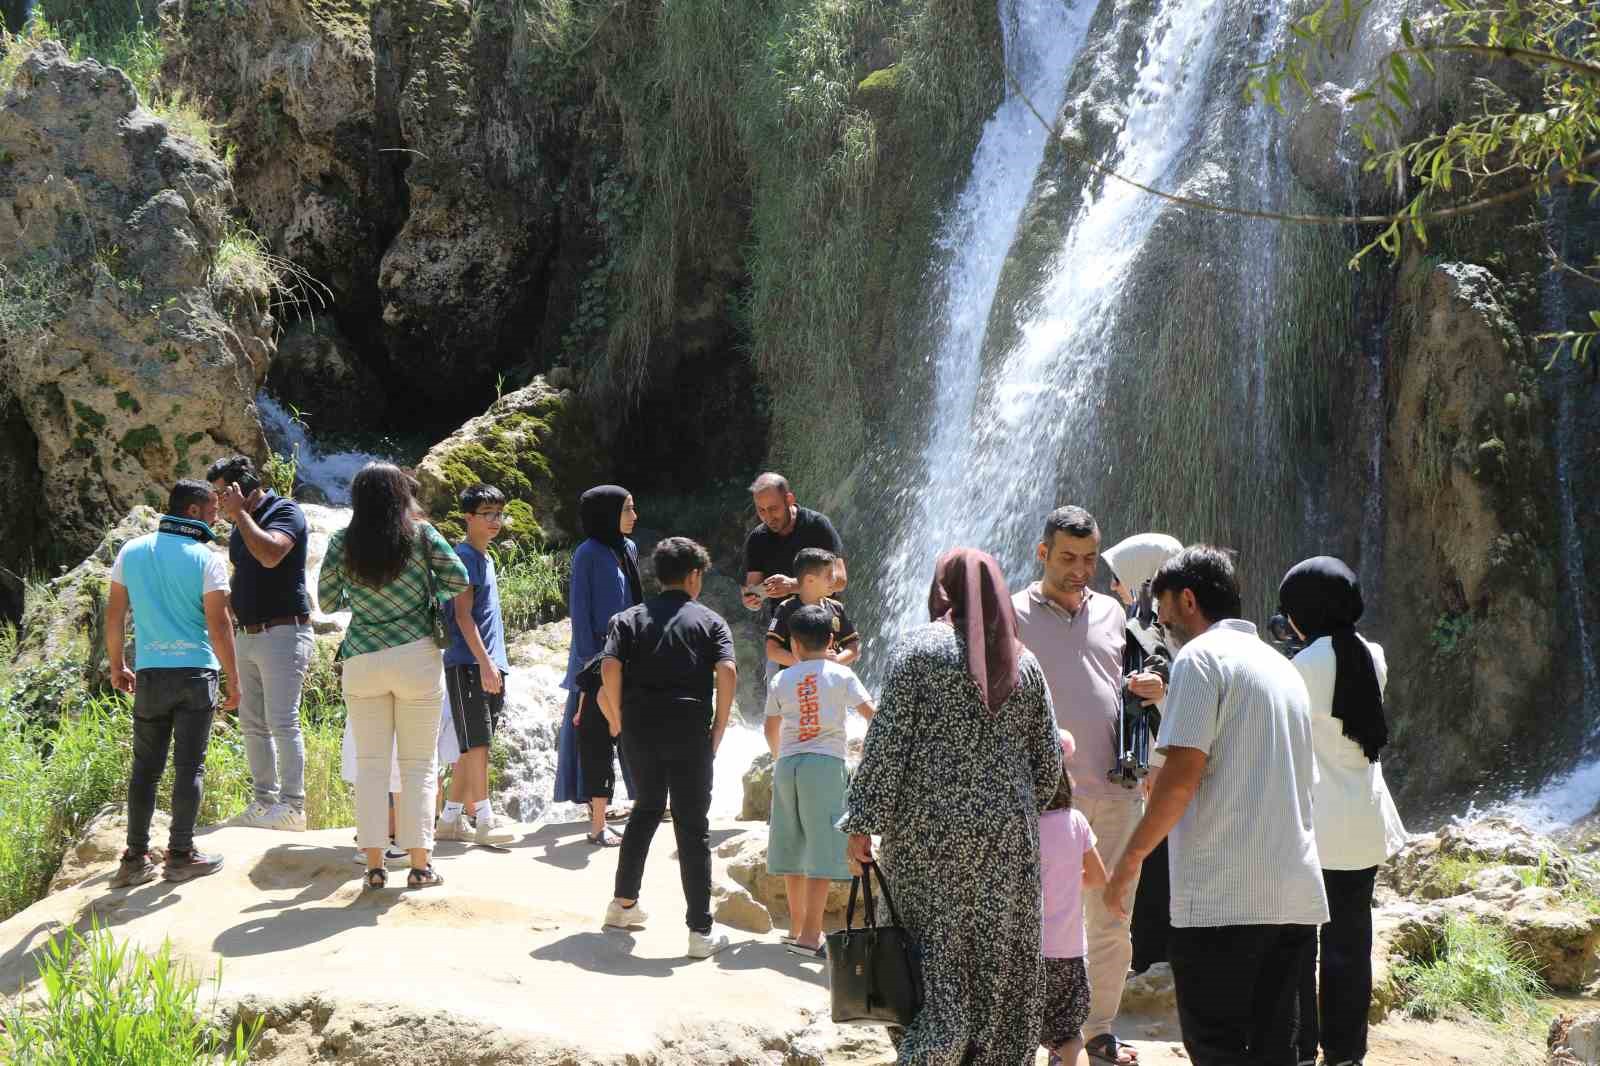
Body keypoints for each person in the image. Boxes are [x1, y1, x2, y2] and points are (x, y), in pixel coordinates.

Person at [1104, 546, 1328, 1066]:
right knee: (1274, 1052)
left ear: (1187, 600)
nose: (1160, 623)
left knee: (1218, 1049)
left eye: (1162, 608)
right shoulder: (1282, 668)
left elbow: (1180, 779)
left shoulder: (1200, 660)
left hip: (1224, 903)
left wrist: (1129, 862)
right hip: (1292, 898)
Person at [841, 548, 1063, 1066]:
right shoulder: (1025, 663)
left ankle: (932, 1051)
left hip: (927, 840)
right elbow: (1048, 766)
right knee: (996, 968)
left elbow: (887, 743)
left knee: (931, 967)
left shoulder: (918, 650)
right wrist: (1006, 811)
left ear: (941, 589)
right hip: (1007, 846)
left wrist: (862, 823)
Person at [1012, 507, 1164, 1066]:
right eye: (1068, 558)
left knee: (1112, 915)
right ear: (1042, 553)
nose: (1080, 570)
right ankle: (1030, 1031)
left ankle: (1097, 1030)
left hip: (1117, 789)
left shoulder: (1114, 613)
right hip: (1042, 797)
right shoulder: (1012, 614)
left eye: (1089, 559)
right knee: (1033, 917)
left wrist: (1151, 686)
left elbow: (1123, 683)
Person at [317, 463, 469, 891]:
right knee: (419, 766)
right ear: (401, 495)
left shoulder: (342, 541)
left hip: (363, 657)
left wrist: (360, 598)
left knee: (371, 766)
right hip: (416, 655)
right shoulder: (422, 535)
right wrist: (427, 594)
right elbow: (459, 578)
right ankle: (420, 866)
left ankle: (374, 866)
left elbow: (326, 601)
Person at [1280, 557, 1407, 1066]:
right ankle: (1346, 1052)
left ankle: (1300, 1047)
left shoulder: (1302, 668)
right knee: (1351, 945)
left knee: (1299, 944)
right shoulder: (1373, 655)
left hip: (1317, 825)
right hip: (1364, 822)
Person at [599, 537, 737, 959]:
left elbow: (609, 666)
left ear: (658, 575)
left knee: (645, 808)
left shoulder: (629, 618)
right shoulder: (710, 621)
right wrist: (719, 727)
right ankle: (699, 931)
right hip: (689, 727)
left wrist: (618, 718)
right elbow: (727, 672)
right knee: (692, 824)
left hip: (639, 727)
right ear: (694, 575)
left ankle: (624, 905)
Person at [106, 480, 240, 887]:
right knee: (189, 766)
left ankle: (134, 858)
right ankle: (181, 855)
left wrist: (117, 665)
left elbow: (115, 615)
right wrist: (234, 679)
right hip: (196, 673)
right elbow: (219, 625)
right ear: (194, 511)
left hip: (150, 673)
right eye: (213, 509)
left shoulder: (131, 551)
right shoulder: (206, 558)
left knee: (145, 769)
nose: (217, 517)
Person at [207, 455, 313, 833]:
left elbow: (270, 555)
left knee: (282, 721)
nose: (218, 501)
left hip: (283, 631)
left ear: (243, 487)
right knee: (252, 723)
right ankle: (264, 802)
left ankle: (293, 806)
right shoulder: (241, 523)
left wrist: (239, 515)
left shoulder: (285, 511)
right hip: (248, 635)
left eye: (222, 492)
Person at [763, 604, 875, 958]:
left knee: (794, 845)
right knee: (822, 850)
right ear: (830, 641)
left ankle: (796, 929)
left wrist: (780, 758)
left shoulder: (781, 679)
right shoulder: (841, 674)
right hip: (825, 765)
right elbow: (873, 715)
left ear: (794, 645)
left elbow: (770, 728)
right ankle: (811, 938)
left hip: (787, 765)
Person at [1101, 532, 1184, 976]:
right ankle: (1151, 952)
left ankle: (1157, 955)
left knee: (1159, 859)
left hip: (1169, 764)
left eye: (1119, 577)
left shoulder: (1172, 633)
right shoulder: (1145, 625)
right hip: (1151, 764)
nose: (1114, 587)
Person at [558, 485, 643, 846]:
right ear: (607, 514)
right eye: (627, 509)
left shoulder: (627, 548)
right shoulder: (587, 553)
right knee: (594, 734)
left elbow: (636, 602)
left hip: (627, 652)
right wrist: (588, 664)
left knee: (632, 727)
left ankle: (644, 800)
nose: (634, 516)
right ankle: (594, 811)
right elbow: (580, 610)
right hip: (594, 656)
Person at [434, 484, 515, 847]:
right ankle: (484, 818)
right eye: (487, 514)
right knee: (477, 742)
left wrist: (494, 664)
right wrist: (484, 663)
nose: (495, 520)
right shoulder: (464, 557)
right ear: (468, 517)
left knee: (474, 745)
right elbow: (462, 616)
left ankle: (450, 819)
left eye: (499, 514)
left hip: (489, 663)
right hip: (469, 663)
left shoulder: (486, 558)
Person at [1040, 747, 1109, 1066]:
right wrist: (1066, 880)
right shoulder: (1076, 821)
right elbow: (1097, 877)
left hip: (1025, 952)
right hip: (1068, 952)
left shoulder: (1020, 825)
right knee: (1069, 1036)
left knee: (1015, 1035)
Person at [740, 473, 845, 631]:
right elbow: (752, 586)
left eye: (773, 509)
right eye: (761, 510)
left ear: (789, 499)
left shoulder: (817, 525)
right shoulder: (757, 538)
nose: (768, 517)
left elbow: (840, 580)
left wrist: (792, 585)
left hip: (824, 624)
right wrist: (751, 600)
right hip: (784, 627)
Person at [765, 548, 860, 670]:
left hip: (828, 678)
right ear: (810, 580)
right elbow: (772, 651)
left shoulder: (837, 608)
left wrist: (835, 661)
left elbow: (853, 646)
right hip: (797, 680)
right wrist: (807, 665)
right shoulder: (787, 609)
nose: (834, 579)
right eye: (829, 575)